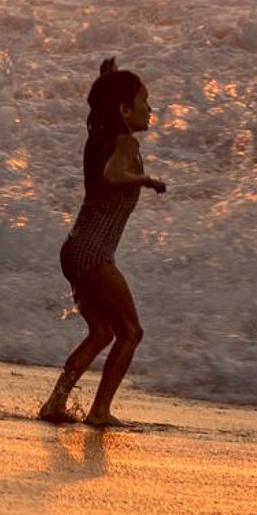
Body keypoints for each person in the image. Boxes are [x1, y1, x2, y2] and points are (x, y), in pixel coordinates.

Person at [39, 57, 166, 426]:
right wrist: (145, 180)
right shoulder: (125, 142)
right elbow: (111, 177)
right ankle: (100, 412)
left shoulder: (101, 138)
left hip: (75, 249)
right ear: (124, 109)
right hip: (93, 253)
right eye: (144, 101)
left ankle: (56, 403)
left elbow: (106, 159)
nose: (150, 109)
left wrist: (107, 80)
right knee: (131, 332)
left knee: (102, 332)